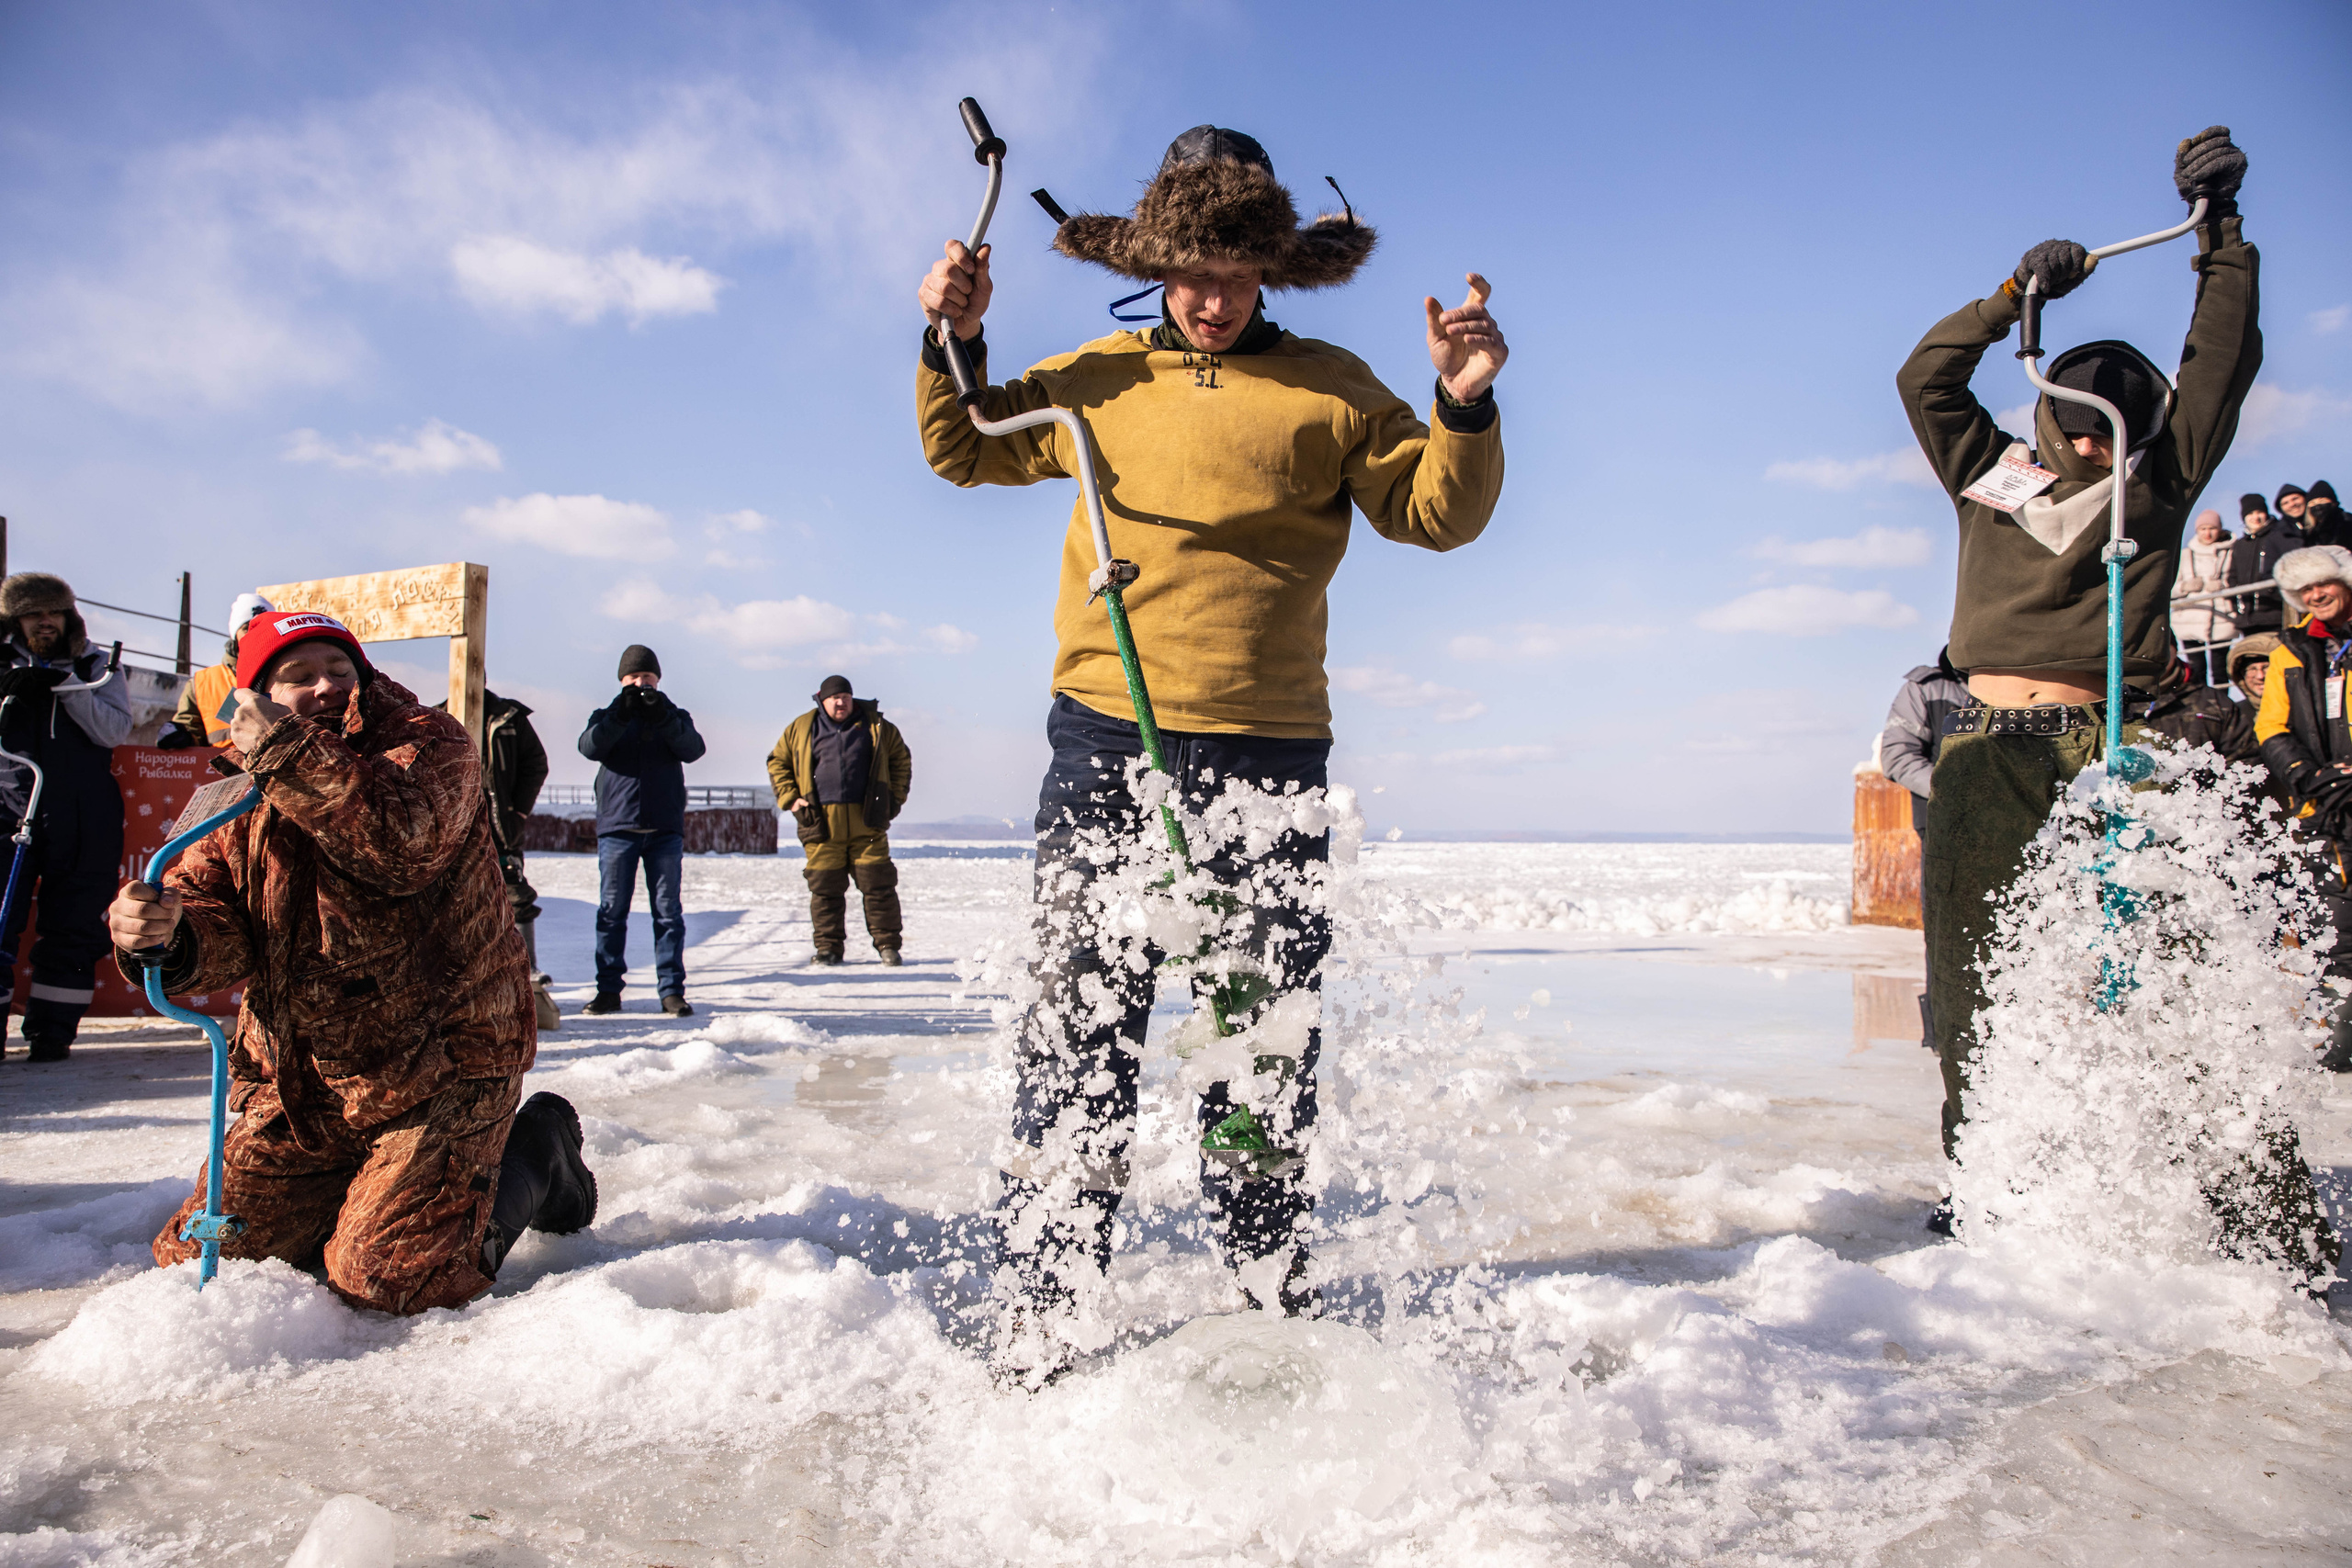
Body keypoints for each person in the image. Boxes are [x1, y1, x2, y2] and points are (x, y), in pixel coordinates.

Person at [917, 123, 1506, 1382]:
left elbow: (1436, 514)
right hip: (1106, 741)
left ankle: (1261, 1293)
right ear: (1154, 265)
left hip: (1267, 753)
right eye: (1189, 273)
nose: (1211, 300)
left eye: (1235, 275)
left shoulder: (1334, 387)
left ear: (1270, 270)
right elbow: (963, 444)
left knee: (1259, 1038)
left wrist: (1462, 401)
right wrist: (949, 332)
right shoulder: (1095, 379)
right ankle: (1049, 1303)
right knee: (1080, 1027)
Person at [1896, 127, 2258, 1224]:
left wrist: (2220, 235)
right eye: (2078, 423)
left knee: (2175, 965)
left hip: (2110, 744)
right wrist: (2012, 297)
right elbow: (1925, 377)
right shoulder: (1987, 475)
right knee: (1975, 976)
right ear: (2049, 413)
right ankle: (1987, 1187)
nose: (2094, 446)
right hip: (1988, 750)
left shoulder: (2159, 486)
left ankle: (2217, 1197)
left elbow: (2220, 363)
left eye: (2114, 428)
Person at [105, 610, 594, 1312]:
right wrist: (163, 932)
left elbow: (402, 846)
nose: (326, 686)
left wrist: (285, 749)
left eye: (339, 668)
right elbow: (219, 920)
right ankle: (373, 1190)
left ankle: (534, 1155)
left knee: (386, 1283)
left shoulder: (428, 741)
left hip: (441, 1067)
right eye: (299, 675)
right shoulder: (235, 787)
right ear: (257, 694)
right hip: (306, 1087)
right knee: (198, 1263)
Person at [0, 573, 134, 1061]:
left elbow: (114, 729)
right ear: (15, 620)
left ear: (68, 616)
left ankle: (52, 1033)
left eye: (52, 613)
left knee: (74, 925)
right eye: (32, 614)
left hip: (81, 813)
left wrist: (69, 685)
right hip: (9, 809)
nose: (44, 622)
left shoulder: (96, 664)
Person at [2256, 547, 2352, 1072]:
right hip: (2326, 808)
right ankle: (2344, 1046)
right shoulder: (2291, 650)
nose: (2316, 595)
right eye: (2305, 590)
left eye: (2324, 584)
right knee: (2338, 929)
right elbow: (2271, 726)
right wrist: (2309, 776)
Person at [577, 645, 705, 1017]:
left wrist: (662, 716)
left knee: (668, 914)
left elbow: (693, 749)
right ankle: (608, 991)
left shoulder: (674, 715)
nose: (640, 684)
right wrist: (620, 715)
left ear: (658, 680)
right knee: (611, 913)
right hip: (618, 828)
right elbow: (590, 747)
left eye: (647, 677)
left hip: (664, 829)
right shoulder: (606, 715)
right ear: (622, 681)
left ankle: (671, 992)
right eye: (633, 678)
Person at [764, 674, 911, 966]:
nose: (841, 702)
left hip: (867, 820)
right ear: (822, 700)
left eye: (845, 697)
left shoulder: (876, 726)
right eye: (834, 698)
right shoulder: (802, 727)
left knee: (879, 886)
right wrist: (791, 799)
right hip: (820, 821)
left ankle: (888, 946)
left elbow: (901, 760)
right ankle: (828, 949)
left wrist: (893, 799)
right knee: (825, 889)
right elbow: (778, 761)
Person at [435, 688, 557, 1032]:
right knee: (450, 904)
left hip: (500, 827)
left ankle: (527, 974)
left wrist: (517, 811)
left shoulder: (508, 718)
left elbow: (536, 763)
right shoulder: (437, 715)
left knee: (514, 895)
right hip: (453, 829)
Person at [1877, 649, 1969, 1047]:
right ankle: (1944, 1036)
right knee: (1948, 930)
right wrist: (1955, 793)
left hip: (2021, 821)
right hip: (1945, 825)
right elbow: (1897, 755)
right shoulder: (1927, 689)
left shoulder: (2024, 684)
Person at [164, 592, 272, 749]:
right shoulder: (202, 683)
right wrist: (180, 735)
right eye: (246, 628)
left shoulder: (295, 675)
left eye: (262, 627)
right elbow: (191, 729)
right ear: (234, 636)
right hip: (221, 764)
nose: (254, 634)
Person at [2170, 510, 2237, 682]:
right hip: (2189, 620)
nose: (2207, 533)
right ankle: (2198, 699)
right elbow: (2169, 589)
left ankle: (2221, 699)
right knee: (2196, 669)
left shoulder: (2232, 553)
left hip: (2221, 620)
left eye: (2212, 528)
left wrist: (2224, 586)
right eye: (2203, 529)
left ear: (2220, 530)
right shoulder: (2185, 555)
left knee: (2220, 669)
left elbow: (2239, 580)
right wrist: (2184, 587)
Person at [2225, 631, 2289, 812]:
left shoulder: (2301, 711)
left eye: (2266, 667)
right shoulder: (2234, 713)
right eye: (2252, 669)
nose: (2260, 676)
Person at [2229, 493, 2293, 631]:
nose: (2256, 517)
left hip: (2274, 615)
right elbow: (2232, 576)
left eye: (2259, 512)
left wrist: (2273, 592)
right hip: (2245, 619)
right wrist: (2237, 605)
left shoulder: (2277, 537)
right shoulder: (2240, 545)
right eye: (2250, 513)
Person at [2303, 480, 2344, 548]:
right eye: (2312, 503)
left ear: (2333, 503)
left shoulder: (2346, 522)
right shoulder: (2309, 532)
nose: (2317, 506)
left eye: (2322, 501)